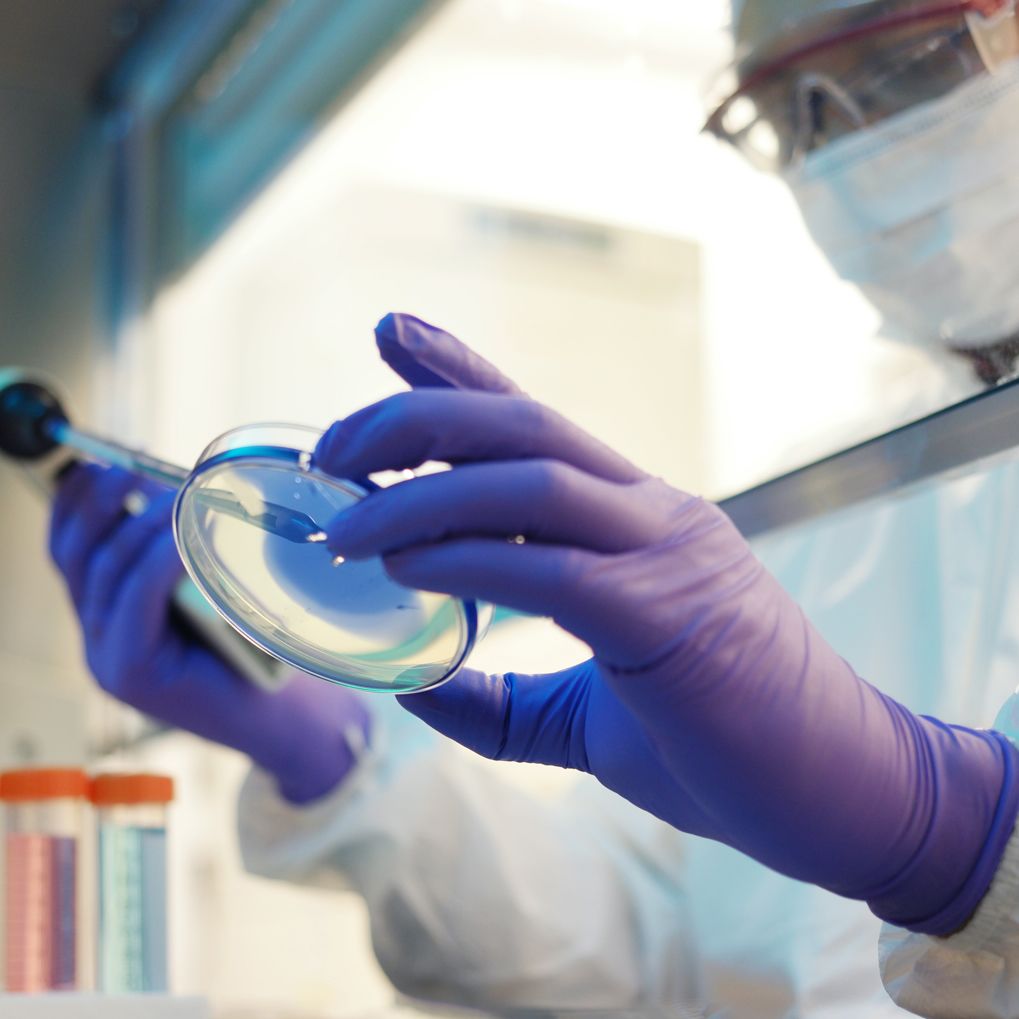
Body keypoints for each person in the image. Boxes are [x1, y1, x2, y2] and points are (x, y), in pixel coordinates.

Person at [47, 1, 1019, 1015]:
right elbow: (636, 951)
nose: (844, 149)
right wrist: (334, 753)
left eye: (905, 64)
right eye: (786, 115)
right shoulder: (841, 492)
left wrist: (959, 841)